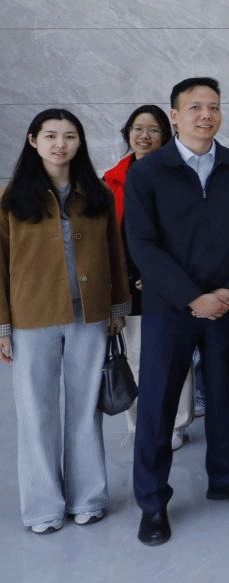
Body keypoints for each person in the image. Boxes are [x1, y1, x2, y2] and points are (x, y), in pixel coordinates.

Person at [125, 77, 229, 546]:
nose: (206, 115)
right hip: (170, 306)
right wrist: (192, 297)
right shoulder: (149, 171)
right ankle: (152, 502)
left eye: (214, 106)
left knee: (223, 393)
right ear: (174, 115)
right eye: (195, 107)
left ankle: (224, 477)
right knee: (158, 401)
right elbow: (142, 244)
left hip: (225, 304)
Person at [1, 109, 130, 534]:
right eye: (51, 135)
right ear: (33, 140)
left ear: (80, 142)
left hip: (88, 315)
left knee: (85, 409)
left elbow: (114, 252)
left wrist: (117, 307)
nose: (61, 144)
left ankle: (87, 498)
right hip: (31, 317)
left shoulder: (97, 194)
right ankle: (43, 507)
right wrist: (2, 325)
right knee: (35, 412)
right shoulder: (11, 198)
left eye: (70, 136)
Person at [103, 106, 196, 452]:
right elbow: (107, 236)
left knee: (173, 354)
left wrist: (159, 273)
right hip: (126, 282)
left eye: (153, 130)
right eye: (137, 129)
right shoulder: (112, 179)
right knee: (135, 356)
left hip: (167, 279)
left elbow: (185, 233)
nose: (144, 136)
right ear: (128, 133)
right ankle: (140, 423)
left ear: (166, 136)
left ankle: (176, 422)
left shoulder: (179, 176)